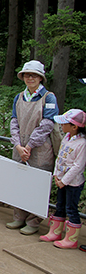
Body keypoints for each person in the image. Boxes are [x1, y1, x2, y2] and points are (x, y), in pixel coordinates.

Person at [6, 60, 59, 235]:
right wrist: (18, 144)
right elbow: (14, 121)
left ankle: (34, 220)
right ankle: (18, 216)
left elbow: (47, 124)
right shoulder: (19, 97)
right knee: (20, 182)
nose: (30, 78)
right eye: (27, 74)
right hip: (20, 145)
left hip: (40, 148)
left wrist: (29, 145)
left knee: (38, 184)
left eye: (34, 75)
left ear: (40, 78)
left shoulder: (48, 97)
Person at [39, 109, 86, 249]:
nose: (62, 126)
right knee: (60, 206)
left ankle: (71, 239)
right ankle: (56, 232)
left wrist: (64, 181)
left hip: (72, 182)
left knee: (71, 208)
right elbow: (60, 157)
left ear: (74, 126)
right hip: (61, 180)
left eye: (64, 123)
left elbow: (78, 166)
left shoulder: (82, 143)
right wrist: (56, 175)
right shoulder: (66, 137)